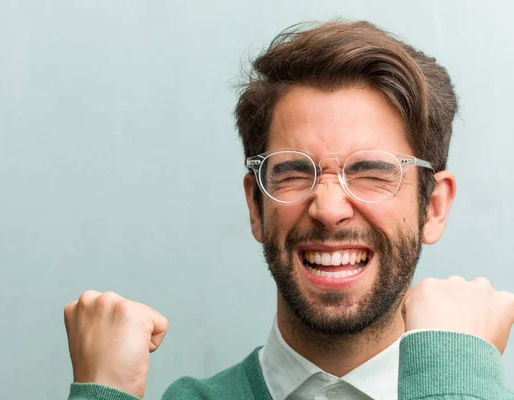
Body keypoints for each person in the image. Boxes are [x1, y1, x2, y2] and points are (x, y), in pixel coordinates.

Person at [63, 20, 514, 400]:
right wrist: (104, 390)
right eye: (295, 172)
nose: (330, 208)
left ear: (433, 206)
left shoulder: (467, 383)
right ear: (255, 205)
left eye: (372, 172)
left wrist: (452, 378)